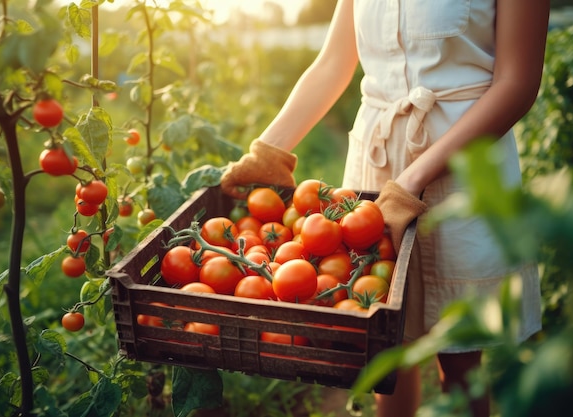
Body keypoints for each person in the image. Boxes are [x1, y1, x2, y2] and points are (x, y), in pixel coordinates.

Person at [220, 1, 550, 416]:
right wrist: (270, 151)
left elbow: (517, 84)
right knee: (383, 344)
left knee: (461, 356)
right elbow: (334, 63)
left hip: (466, 165)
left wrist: (412, 181)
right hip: (375, 167)